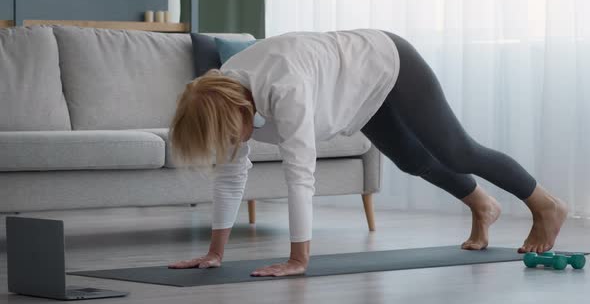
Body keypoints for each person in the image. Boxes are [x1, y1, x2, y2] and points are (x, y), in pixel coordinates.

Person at [167, 29, 568, 277]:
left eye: (229, 136)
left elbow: (301, 175)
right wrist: (213, 253)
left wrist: (298, 259)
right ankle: (482, 205)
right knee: (412, 160)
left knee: (457, 151)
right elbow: (231, 172)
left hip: (386, 59)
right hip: (352, 90)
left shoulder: (284, 89)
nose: (231, 145)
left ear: (239, 109)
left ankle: (546, 205)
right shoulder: (219, 99)